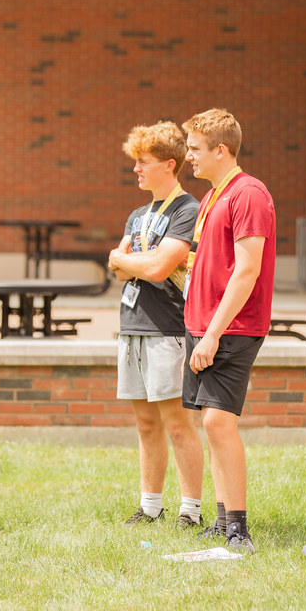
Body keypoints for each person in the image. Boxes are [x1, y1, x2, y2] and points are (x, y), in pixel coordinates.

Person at [180, 108, 276, 553]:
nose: (188, 157)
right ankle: (221, 521)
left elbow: (247, 270)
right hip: (202, 325)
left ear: (221, 150)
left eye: (195, 149)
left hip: (232, 327)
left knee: (219, 422)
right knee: (209, 423)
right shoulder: (212, 197)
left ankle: (238, 528)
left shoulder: (248, 193)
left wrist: (213, 333)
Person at [107, 121, 205, 528]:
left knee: (178, 424)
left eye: (143, 162)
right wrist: (131, 264)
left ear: (169, 164)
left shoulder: (187, 210)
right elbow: (119, 271)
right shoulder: (137, 215)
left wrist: (124, 259)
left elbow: (160, 266)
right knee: (145, 423)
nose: (136, 169)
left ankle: (191, 510)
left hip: (168, 328)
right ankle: (150, 506)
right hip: (133, 325)